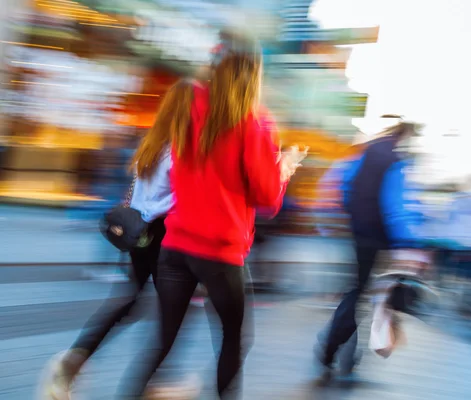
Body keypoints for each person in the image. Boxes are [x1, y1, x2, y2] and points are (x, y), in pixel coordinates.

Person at [118, 30, 305, 399]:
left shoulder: (190, 110)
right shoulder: (255, 124)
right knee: (233, 340)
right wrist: (284, 167)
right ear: (253, 74)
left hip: (175, 247)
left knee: (163, 341)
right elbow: (267, 199)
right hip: (220, 254)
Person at [39, 81, 194, 400]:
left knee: (132, 302)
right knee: (173, 310)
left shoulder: (153, 142)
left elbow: (141, 191)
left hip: (139, 232)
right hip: (161, 234)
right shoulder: (181, 147)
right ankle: (147, 384)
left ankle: (73, 363)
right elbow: (184, 196)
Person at [316, 117, 426, 378]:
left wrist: (346, 217)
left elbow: (344, 183)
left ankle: (345, 353)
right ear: (406, 136)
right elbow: (395, 205)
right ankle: (332, 345)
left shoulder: (368, 150)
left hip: (359, 232)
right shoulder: (395, 160)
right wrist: (407, 242)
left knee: (358, 291)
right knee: (367, 295)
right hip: (380, 237)